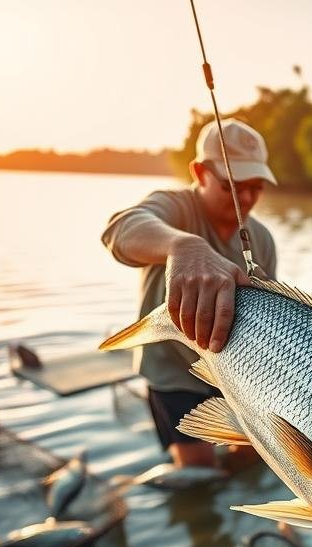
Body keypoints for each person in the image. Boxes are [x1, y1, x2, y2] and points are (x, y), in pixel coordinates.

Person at [102, 118, 278, 469]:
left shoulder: (262, 239)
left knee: (250, 460)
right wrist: (181, 245)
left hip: (234, 372)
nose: (245, 198)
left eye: (255, 186)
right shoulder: (176, 208)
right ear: (200, 172)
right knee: (199, 473)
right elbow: (119, 231)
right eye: (232, 185)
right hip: (174, 373)